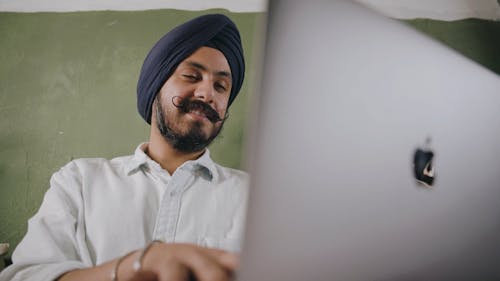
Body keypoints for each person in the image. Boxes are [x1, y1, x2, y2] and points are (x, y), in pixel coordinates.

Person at [0, 14, 248, 281]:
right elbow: (24, 276)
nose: (207, 93)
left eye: (221, 86)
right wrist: (129, 268)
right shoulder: (79, 182)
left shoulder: (255, 198)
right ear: (155, 87)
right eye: (191, 76)